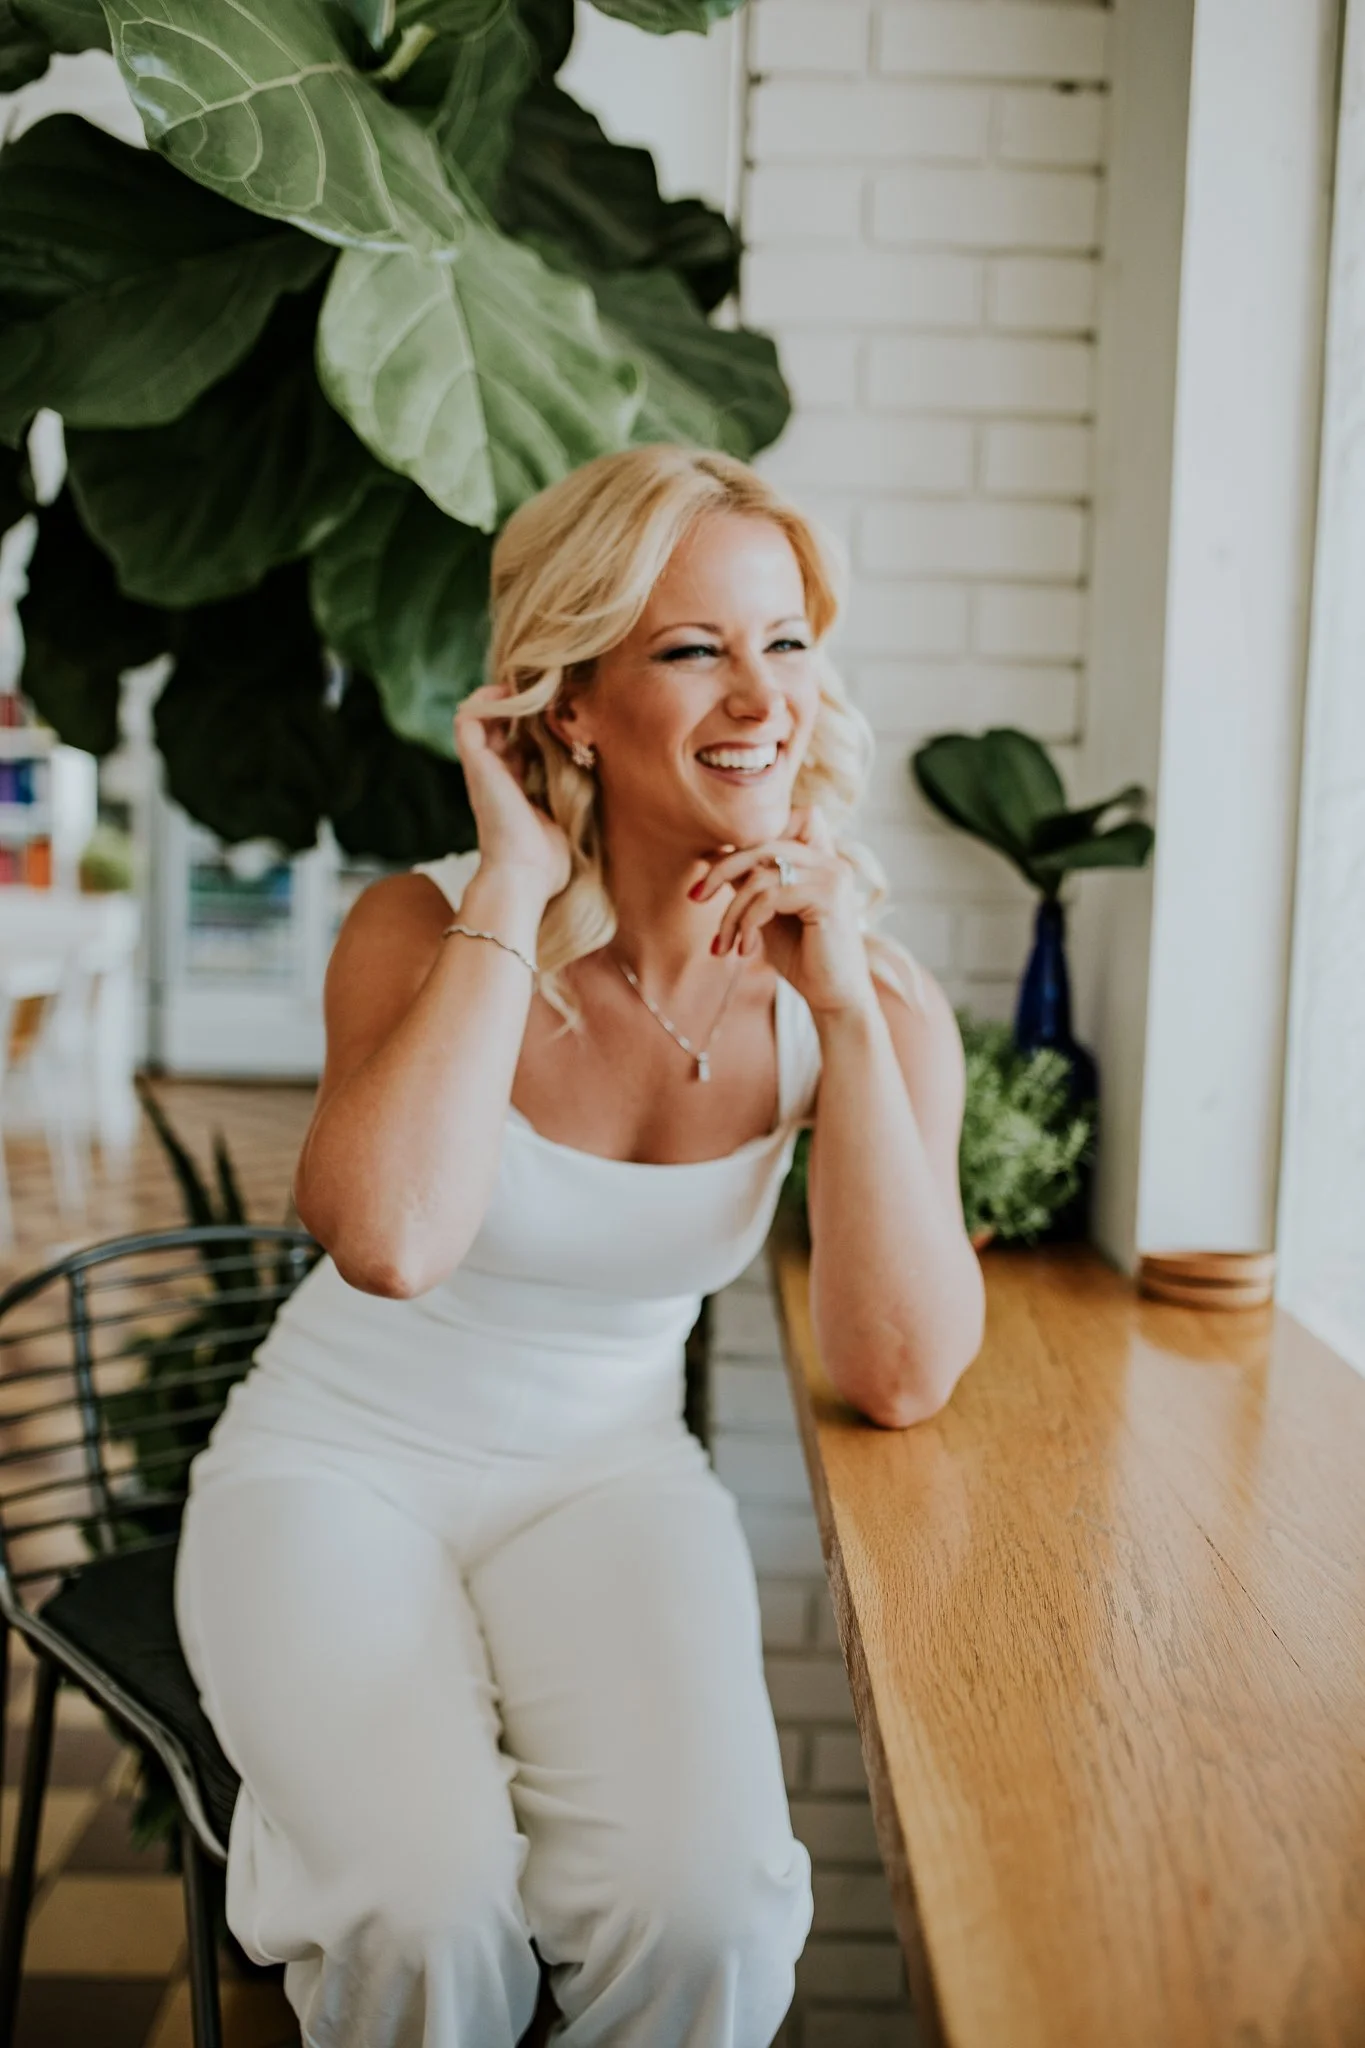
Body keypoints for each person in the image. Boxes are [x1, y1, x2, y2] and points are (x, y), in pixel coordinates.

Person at [174, 444, 986, 2048]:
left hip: (607, 1481)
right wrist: (522, 884)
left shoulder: (867, 1003)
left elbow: (899, 1372)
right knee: (425, 1913)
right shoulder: (423, 927)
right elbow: (391, 1242)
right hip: (336, 1468)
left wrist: (840, 1003)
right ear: (570, 706)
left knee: (718, 1915)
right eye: (692, 650)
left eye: (786, 643)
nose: (762, 699)